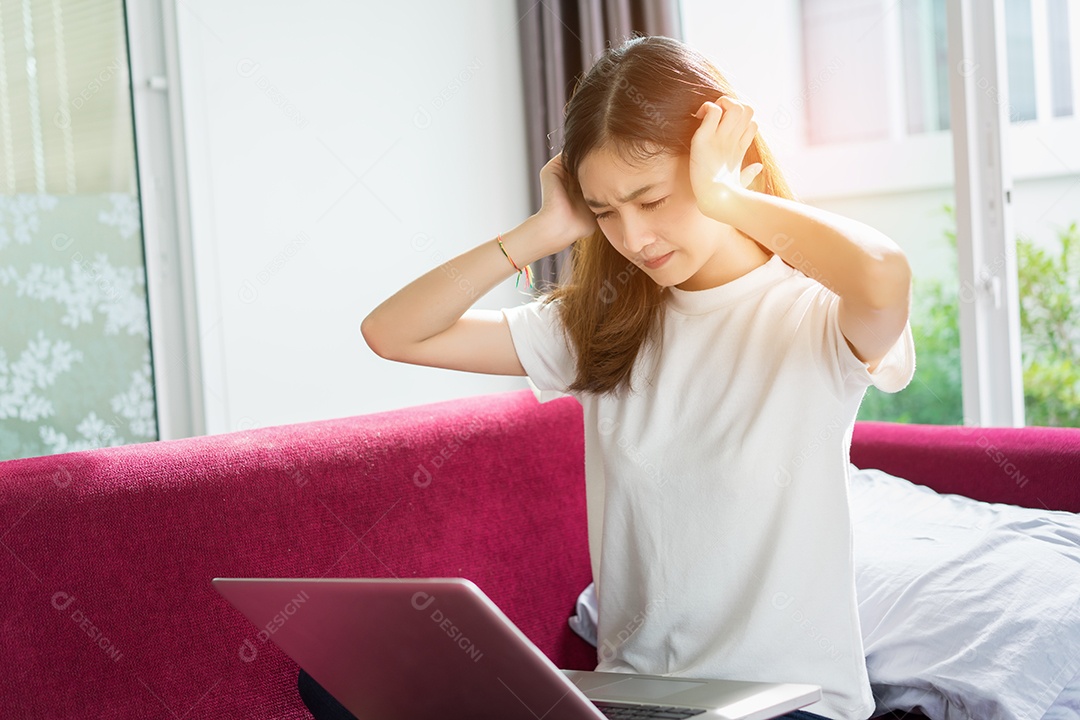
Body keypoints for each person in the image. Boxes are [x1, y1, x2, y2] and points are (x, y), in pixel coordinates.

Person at [305, 34, 915, 720]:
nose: (633, 237)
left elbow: (884, 274)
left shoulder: (814, 318)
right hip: (633, 701)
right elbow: (393, 333)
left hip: (787, 708)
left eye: (651, 199)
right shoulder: (603, 329)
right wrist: (540, 233)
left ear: (715, 165)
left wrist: (727, 195)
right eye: (604, 211)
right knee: (346, 683)